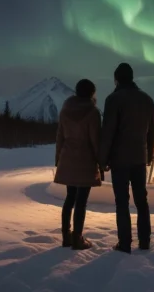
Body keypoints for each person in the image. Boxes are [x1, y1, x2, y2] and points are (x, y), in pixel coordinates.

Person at [99, 63, 154, 254]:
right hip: (139, 158)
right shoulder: (147, 100)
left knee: (122, 202)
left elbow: (108, 132)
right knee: (142, 200)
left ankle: (124, 243)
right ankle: (144, 241)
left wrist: (103, 159)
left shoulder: (113, 99)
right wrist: (148, 155)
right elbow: (152, 131)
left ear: (116, 79)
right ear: (132, 78)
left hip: (119, 159)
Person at [54, 78, 102, 250]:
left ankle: (66, 236)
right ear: (92, 93)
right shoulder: (93, 112)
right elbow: (96, 140)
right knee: (81, 201)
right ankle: (77, 238)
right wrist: (101, 162)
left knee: (69, 198)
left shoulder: (65, 110)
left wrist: (58, 158)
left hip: (68, 158)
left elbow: (60, 136)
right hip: (85, 160)